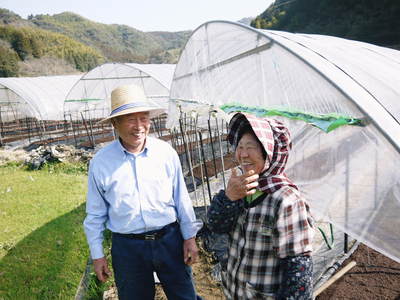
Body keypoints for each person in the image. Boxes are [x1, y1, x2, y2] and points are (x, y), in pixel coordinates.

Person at [83, 84, 202, 300]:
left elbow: (181, 199)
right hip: (128, 248)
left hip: (169, 240)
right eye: (130, 119)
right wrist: (97, 255)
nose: (139, 126)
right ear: (114, 123)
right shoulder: (101, 163)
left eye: (144, 118)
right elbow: (95, 214)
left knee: (185, 296)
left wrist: (189, 238)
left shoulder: (165, 153)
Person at [207, 112, 315, 299]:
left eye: (251, 147)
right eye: (240, 147)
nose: (243, 154)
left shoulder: (285, 200)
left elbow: (298, 268)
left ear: (269, 153)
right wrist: (228, 197)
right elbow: (216, 225)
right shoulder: (239, 186)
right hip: (234, 292)